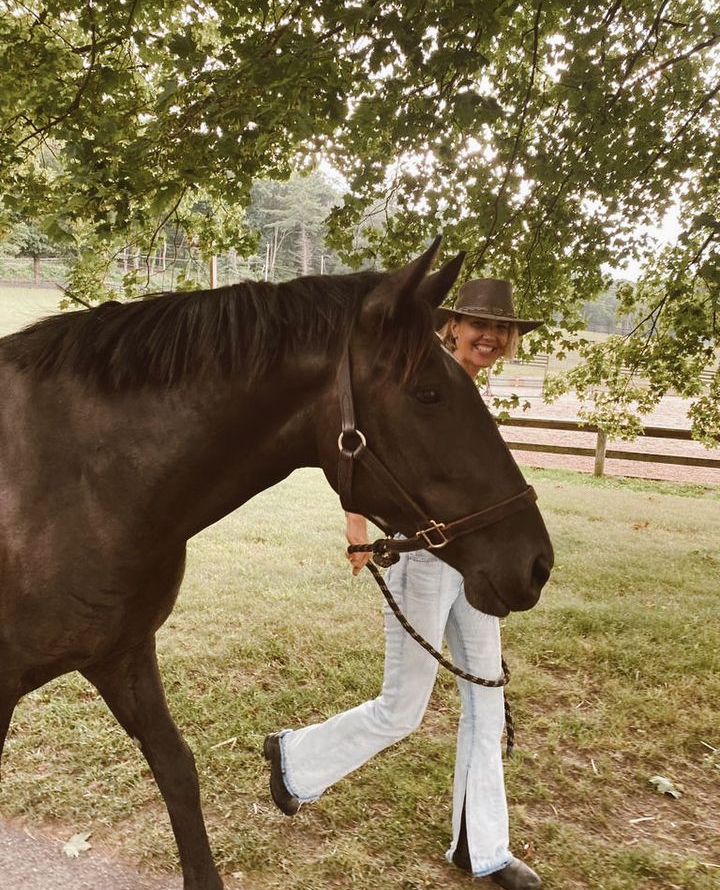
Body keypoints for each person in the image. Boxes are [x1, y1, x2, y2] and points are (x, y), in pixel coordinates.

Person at [263, 280, 544, 889]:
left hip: (472, 561)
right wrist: (356, 525)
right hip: (424, 562)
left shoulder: (466, 389)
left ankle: (483, 847)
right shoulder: (422, 378)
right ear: (453, 326)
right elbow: (355, 442)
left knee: (487, 698)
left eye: (500, 329)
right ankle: (295, 761)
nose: (489, 336)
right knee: (402, 709)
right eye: (477, 324)